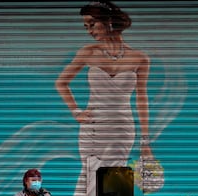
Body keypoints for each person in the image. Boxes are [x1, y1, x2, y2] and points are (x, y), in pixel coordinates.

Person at [55, 0, 156, 178]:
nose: (89, 31)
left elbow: (142, 99)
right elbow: (61, 82)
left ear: (108, 21)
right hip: (93, 127)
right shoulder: (88, 52)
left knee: (115, 176)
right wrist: (76, 111)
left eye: (92, 24)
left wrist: (145, 141)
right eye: (86, 27)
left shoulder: (140, 58)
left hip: (122, 127)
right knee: (92, 174)